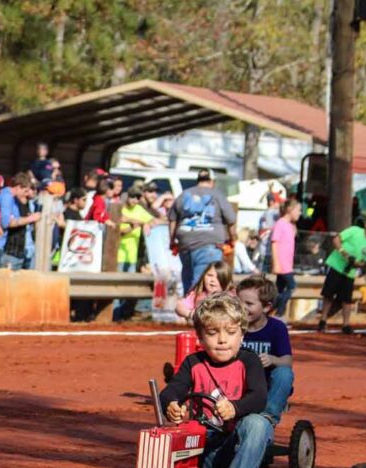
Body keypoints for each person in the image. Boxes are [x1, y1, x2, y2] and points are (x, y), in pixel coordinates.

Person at [114, 293, 273, 468]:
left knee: (258, 423)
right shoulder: (193, 363)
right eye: (213, 333)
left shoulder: (248, 361)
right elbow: (171, 392)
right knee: (160, 439)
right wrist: (172, 405)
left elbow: (259, 396)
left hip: (235, 447)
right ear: (200, 337)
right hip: (201, 446)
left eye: (230, 333)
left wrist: (235, 408)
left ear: (241, 335)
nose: (222, 340)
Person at [169, 169, 237, 297]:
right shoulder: (217, 195)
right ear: (212, 181)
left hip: (185, 245)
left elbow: (172, 219)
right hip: (208, 245)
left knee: (188, 280)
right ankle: (199, 313)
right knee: (203, 283)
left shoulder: (184, 194)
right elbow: (231, 220)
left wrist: (172, 241)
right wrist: (232, 239)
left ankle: (188, 310)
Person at [238, 275, 294, 425]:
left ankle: (268, 417)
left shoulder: (277, 328)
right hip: (237, 383)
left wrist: (272, 359)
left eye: (249, 304)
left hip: (266, 384)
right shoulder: (233, 326)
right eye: (239, 303)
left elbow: (287, 361)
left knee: (284, 372)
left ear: (267, 307)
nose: (243, 308)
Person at [317, 216, 366, 334]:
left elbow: (365, 263)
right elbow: (336, 239)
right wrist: (344, 254)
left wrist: (357, 263)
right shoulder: (354, 230)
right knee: (328, 294)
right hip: (336, 265)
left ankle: (346, 324)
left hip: (350, 272)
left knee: (346, 299)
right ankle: (323, 320)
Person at [113, 187, 153, 321]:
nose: (134, 200)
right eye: (132, 197)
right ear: (127, 197)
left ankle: (124, 314)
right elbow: (119, 231)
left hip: (132, 256)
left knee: (127, 289)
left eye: (137, 198)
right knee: (117, 287)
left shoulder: (139, 210)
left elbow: (152, 220)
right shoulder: (121, 209)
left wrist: (145, 224)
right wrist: (133, 226)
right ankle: (115, 315)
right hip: (119, 256)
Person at [0, 173, 41, 271]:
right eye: (25, 191)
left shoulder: (11, 198)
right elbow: (6, 223)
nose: (26, 194)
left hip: (9, 248)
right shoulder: (7, 197)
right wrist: (30, 219)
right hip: (4, 248)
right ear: (18, 187)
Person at [271, 198, 301, 317]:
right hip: (283, 264)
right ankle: (279, 313)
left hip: (287, 264)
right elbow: (274, 243)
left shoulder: (290, 225)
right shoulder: (281, 223)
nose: (299, 213)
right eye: (298, 210)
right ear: (290, 210)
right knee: (292, 287)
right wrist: (276, 263)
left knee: (279, 290)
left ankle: (269, 313)